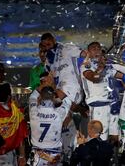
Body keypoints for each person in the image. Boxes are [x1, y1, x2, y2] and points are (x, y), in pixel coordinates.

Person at [40, 32, 84, 162]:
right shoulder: (49, 59)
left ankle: (70, 154)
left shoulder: (67, 48)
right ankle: (64, 154)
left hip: (72, 89)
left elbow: (84, 55)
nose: (47, 46)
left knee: (63, 116)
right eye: (44, 45)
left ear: (54, 40)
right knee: (60, 120)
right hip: (61, 91)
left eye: (48, 43)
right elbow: (49, 77)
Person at [80, 42, 121, 141]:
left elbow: (123, 76)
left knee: (114, 138)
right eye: (93, 49)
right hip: (98, 108)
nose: (97, 50)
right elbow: (95, 78)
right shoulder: (86, 66)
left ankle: (112, 156)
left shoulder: (107, 67)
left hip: (112, 106)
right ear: (88, 53)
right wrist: (101, 66)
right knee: (98, 139)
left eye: (99, 48)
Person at [29, 73, 71, 166]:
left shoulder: (33, 111)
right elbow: (68, 101)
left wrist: (45, 84)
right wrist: (53, 86)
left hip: (37, 155)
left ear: (40, 98)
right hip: (54, 157)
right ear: (53, 97)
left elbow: (32, 96)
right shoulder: (59, 113)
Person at [0, 82, 28, 166]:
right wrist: (22, 156)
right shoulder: (16, 113)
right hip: (9, 156)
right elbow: (20, 136)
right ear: (9, 96)